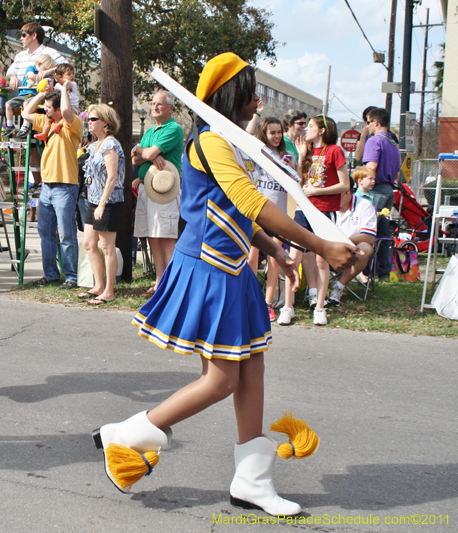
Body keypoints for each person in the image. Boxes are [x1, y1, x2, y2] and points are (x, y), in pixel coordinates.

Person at [95, 52, 357, 516]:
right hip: (210, 269)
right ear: (231, 95)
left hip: (232, 269)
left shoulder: (230, 142)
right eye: (250, 92)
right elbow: (250, 201)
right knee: (220, 380)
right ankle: (129, 435)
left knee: (252, 369)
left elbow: (234, 213)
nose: (257, 101)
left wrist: (275, 250)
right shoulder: (212, 141)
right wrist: (319, 245)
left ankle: (252, 481)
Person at [22, 83, 83, 290]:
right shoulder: (47, 121)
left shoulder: (72, 124)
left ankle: (71, 276)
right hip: (47, 186)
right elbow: (26, 113)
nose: (45, 110)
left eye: (49, 107)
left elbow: (66, 111)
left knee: (66, 234)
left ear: (58, 109)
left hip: (65, 186)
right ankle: (50, 274)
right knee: (45, 233)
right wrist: (41, 94)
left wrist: (64, 89)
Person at [293, 114, 350, 325]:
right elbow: (299, 180)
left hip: (324, 210)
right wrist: (300, 157)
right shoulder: (307, 151)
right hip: (303, 209)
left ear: (322, 130)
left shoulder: (335, 151)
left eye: (310, 126)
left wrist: (317, 191)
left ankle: (320, 307)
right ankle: (289, 305)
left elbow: (345, 185)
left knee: (321, 260)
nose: (306, 129)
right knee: (295, 254)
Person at [132, 90, 185, 296]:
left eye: (159, 104)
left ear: (171, 108)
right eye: (153, 103)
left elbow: (148, 153)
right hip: (147, 188)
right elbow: (136, 158)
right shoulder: (150, 131)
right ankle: (159, 282)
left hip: (164, 191)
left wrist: (143, 152)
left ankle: (171, 286)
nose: (155, 107)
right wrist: (143, 152)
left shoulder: (174, 129)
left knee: (166, 237)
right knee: (153, 237)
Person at [247, 117, 298, 321]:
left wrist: (292, 167)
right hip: (257, 211)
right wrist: (256, 116)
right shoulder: (257, 153)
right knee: (251, 257)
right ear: (264, 134)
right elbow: (246, 137)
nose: (276, 136)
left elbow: (298, 183)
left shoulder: (286, 156)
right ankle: (249, 297)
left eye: (279, 132)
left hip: (278, 214)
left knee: (274, 258)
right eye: (272, 132)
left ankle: (268, 303)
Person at [80, 104, 125, 305]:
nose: (89, 122)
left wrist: (103, 203)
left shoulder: (110, 144)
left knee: (107, 246)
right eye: (88, 119)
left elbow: (112, 176)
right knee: (89, 243)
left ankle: (109, 290)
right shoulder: (95, 145)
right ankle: (98, 285)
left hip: (109, 201)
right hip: (93, 199)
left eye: (93, 119)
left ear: (105, 122)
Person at [361, 107, 401, 281]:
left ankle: (366, 271)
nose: (367, 126)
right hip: (388, 190)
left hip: (375, 190)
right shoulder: (392, 143)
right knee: (383, 233)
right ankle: (383, 271)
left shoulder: (374, 141)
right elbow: (397, 173)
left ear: (375, 122)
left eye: (368, 122)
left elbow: (371, 167)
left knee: (367, 231)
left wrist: (360, 180)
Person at [327, 180, 377, 306]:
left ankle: (338, 287)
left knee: (365, 248)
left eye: (333, 194)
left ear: (347, 192)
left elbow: (369, 237)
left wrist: (345, 242)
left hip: (353, 250)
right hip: (327, 248)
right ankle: (314, 293)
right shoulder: (327, 206)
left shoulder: (364, 205)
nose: (330, 197)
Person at [7, 54, 54, 139]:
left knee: (26, 103)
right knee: (8, 104)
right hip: (23, 94)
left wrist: (38, 82)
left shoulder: (45, 76)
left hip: (33, 95)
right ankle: (9, 125)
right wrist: (39, 81)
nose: (46, 72)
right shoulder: (31, 68)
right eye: (45, 69)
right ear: (39, 64)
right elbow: (31, 76)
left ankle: (26, 126)